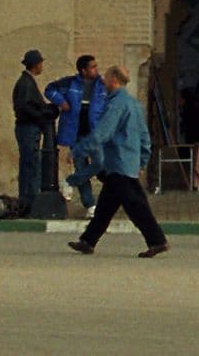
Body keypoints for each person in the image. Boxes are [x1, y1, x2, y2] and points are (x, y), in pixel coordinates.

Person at [68, 63, 169, 258]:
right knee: (106, 206)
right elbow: (144, 136)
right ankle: (88, 241)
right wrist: (142, 161)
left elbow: (103, 132)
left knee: (136, 206)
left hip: (119, 162)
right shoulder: (133, 103)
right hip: (125, 163)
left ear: (114, 80)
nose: (103, 81)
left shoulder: (116, 104)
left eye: (105, 77)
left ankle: (157, 240)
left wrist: (79, 150)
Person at [50, 53, 103, 215]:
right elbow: (50, 89)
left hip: (94, 135)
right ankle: (90, 206)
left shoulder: (101, 85)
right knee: (81, 166)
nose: (96, 69)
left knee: (101, 162)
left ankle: (69, 181)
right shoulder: (69, 83)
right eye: (92, 67)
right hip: (76, 134)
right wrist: (61, 101)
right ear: (83, 70)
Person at [11, 49, 59, 218]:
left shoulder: (26, 82)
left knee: (29, 165)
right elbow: (25, 108)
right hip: (28, 128)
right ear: (37, 64)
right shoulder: (26, 83)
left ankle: (28, 202)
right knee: (31, 166)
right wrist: (44, 114)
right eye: (41, 63)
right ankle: (29, 203)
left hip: (29, 128)